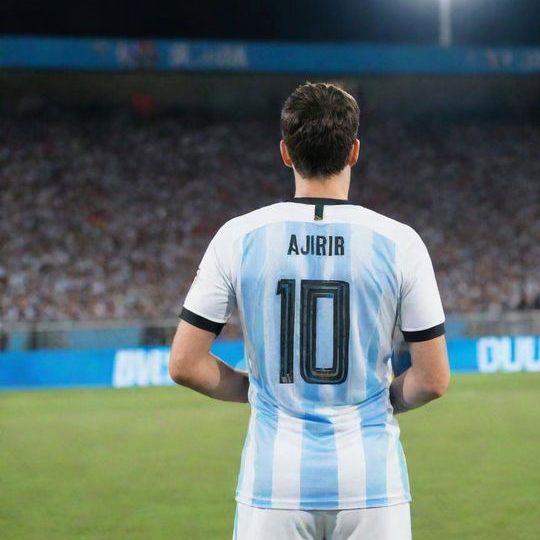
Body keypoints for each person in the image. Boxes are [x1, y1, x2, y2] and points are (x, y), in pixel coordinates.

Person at [169, 82, 450, 540]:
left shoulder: (238, 237)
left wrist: (259, 392)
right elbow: (433, 380)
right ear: (354, 151)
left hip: (272, 485)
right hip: (373, 483)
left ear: (285, 152)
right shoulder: (400, 243)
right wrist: (382, 401)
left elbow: (184, 365)